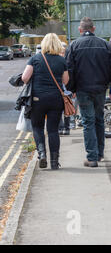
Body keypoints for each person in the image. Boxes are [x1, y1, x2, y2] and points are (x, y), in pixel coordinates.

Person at [65, 17, 111, 168]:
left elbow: (70, 69)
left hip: (82, 90)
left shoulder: (74, 45)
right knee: (99, 119)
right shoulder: (105, 45)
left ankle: (92, 157)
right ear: (94, 29)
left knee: (88, 122)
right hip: (100, 89)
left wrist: (72, 89)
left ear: (80, 30)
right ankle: (100, 154)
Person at [21, 33, 69, 170]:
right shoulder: (62, 61)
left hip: (37, 99)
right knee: (53, 130)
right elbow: (65, 81)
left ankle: (42, 154)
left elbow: (25, 78)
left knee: (37, 127)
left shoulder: (35, 59)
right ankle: (54, 162)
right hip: (56, 99)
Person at [58, 42, 72, 135]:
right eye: (60, 52)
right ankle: (60, 128)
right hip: (58, 91)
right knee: (58, 111)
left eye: (64, 52)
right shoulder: (57, 62)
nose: (62, 54)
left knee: (67, 111)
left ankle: (67, 128)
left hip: (68, 91)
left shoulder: (69, 63)